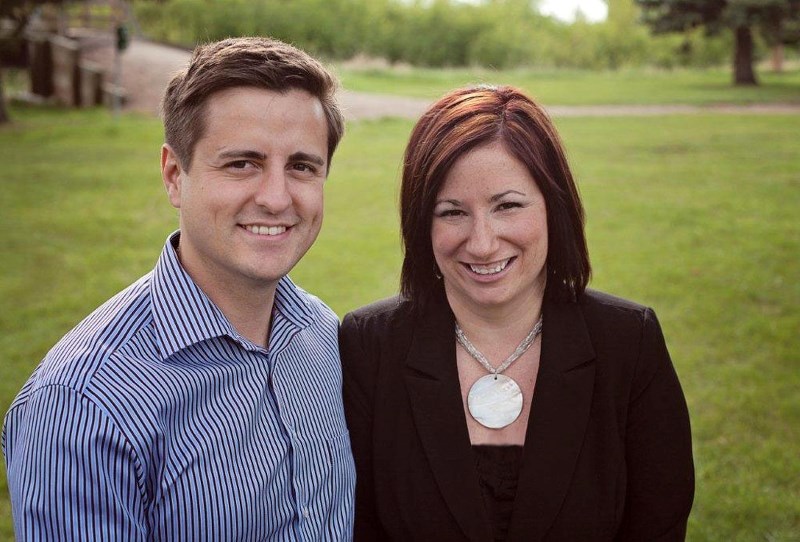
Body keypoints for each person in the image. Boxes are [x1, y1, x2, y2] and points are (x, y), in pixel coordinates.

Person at [3, 37, 354, 541]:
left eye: (302, 166)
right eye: (242, 163)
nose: (277, 198)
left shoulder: (319, 334)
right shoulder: (81, 405)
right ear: (174, 175)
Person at [340, 85, 694, 541]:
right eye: (452, 212)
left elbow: (658, 526)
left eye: (507, 205)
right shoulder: (370, 344)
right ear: (420, 222)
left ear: (554, 206)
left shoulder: (628, 341)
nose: (482, 242)